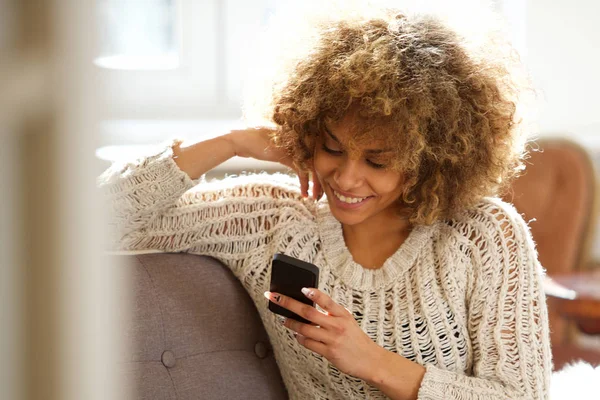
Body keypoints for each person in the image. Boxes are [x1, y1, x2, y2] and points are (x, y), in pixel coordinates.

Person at [97, 2, 551, 399]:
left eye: (377, 161)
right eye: (333, 148)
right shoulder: (272, 218)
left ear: (430, 158)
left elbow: (521, 395)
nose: (348, 178)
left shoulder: (486, 236)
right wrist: (230, 142)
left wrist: (369, 359)